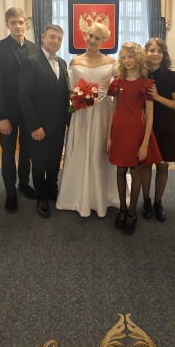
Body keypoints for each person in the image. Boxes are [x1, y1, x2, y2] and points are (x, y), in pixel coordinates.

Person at [56, 23, 119, 217]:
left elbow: (121, 85)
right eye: (90, 35)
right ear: (86, 35)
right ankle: (76, 196)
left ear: (104, 41)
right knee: (81, 148)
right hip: (81, 111)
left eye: (97, 38)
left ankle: (101, 197)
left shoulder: (111, 62)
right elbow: (68, 88)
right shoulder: (74, 61)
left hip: (102, 112)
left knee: (99, 151)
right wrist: (77, 96)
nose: (92, 40)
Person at [106, 42, 162, 235]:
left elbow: (150, 116)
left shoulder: (146, 83)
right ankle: (122, 208)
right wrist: (109, 136)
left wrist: (145, 143)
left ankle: (132, 211)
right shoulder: (118, 81)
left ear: (138, 57)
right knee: (120, 169)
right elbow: (113, 109)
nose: (127, 60)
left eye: (130, 56)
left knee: (135, 170)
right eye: (123, 57)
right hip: (119, 131)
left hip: (137, 131)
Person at [0, 7, 40, 214]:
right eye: (13, 23)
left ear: (26, 24)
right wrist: (2, 117)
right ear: (7, 25)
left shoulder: (35, 48)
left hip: (28, 113)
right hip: (8, 114)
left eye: (21, 22)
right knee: (8, 154)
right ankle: (10, 193)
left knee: (27, 152)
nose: (18, 26)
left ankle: (24, 185)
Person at [18, 24, 71, 218]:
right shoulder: (30, 62)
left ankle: (51, 189)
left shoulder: (62, 63)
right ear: (43, 37)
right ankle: (41, 196)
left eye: (59, 39)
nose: (56, 41)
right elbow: (24, 96)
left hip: (58, 124)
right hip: (39, 125)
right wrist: (34, 126)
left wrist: (70, 118)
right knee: (39, 162)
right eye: (52, 37)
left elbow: (64, 95)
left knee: (54, 160)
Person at [140, 37, 175, 222]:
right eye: (152, 50)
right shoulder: (140, 75)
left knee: (162, 166)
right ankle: (146, 200)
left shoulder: (172, 76)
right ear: (145, 53)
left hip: (166, 125)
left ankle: (158, 202)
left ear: (164, 54)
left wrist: (158, 97)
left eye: (159, 51)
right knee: (145, 165)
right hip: (144, 125)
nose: (155, 54)